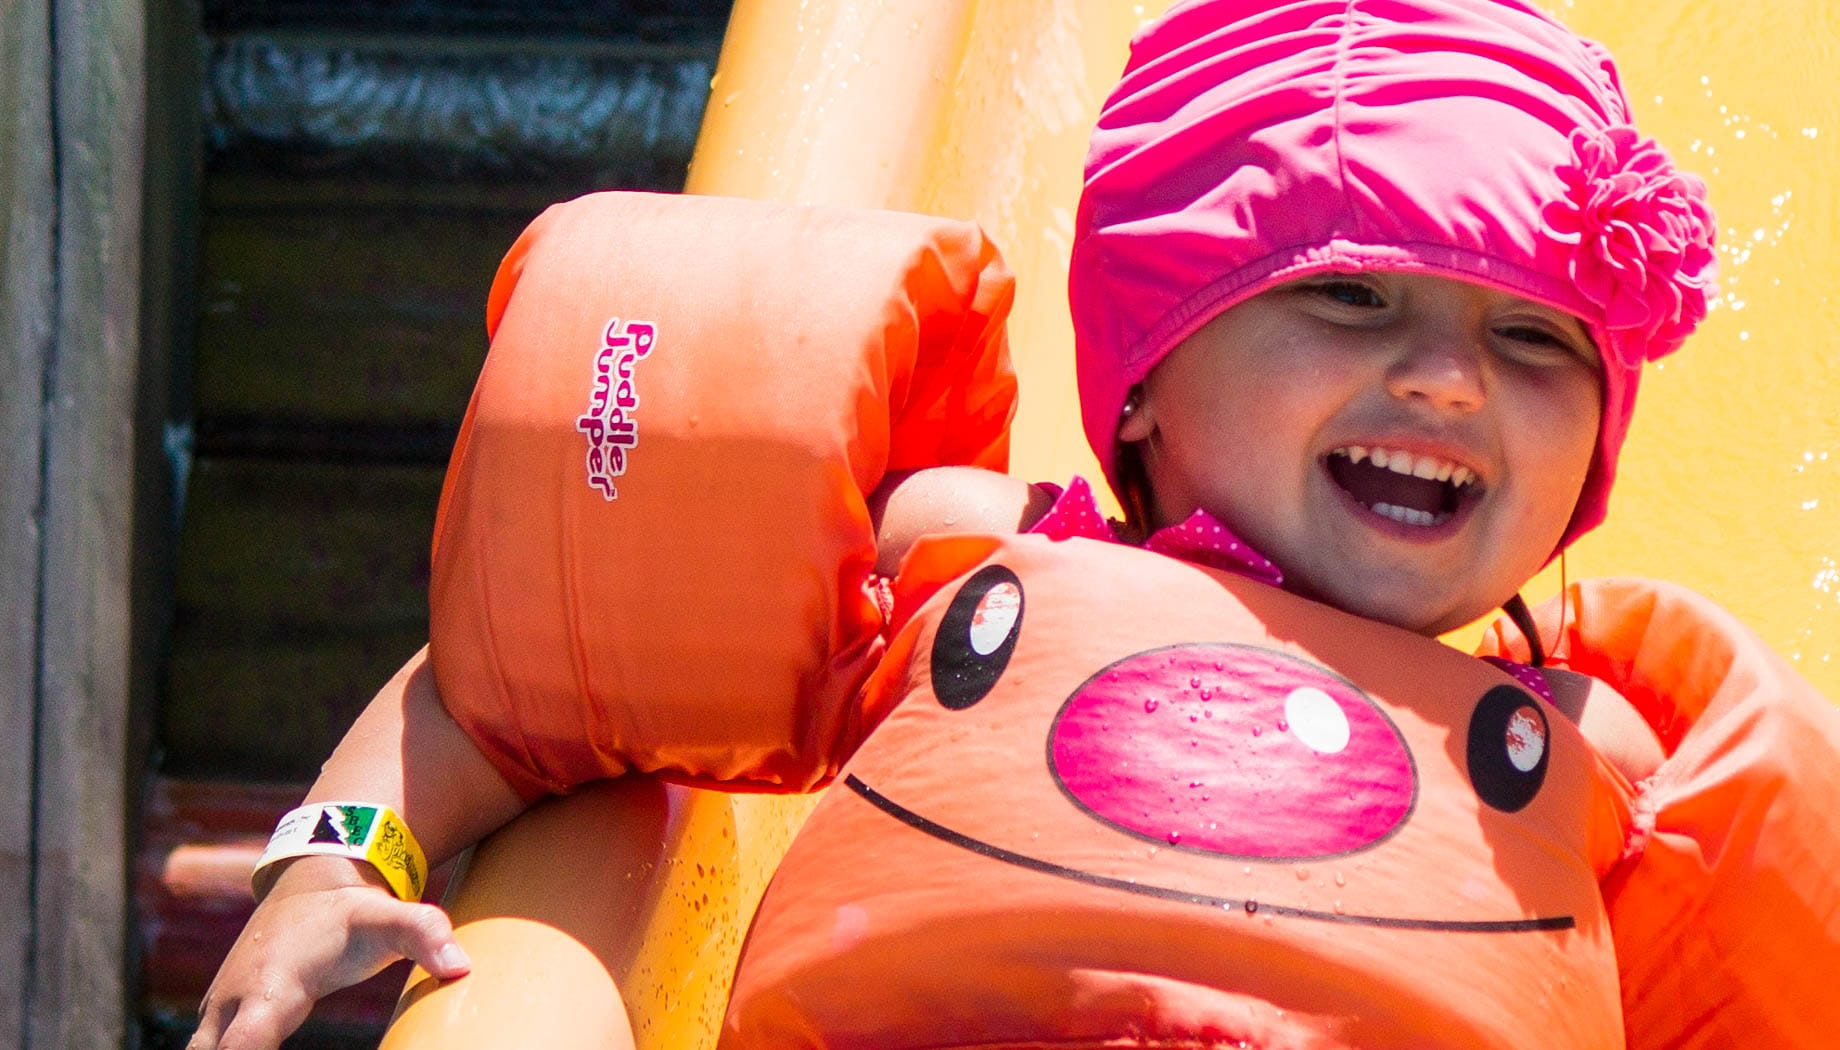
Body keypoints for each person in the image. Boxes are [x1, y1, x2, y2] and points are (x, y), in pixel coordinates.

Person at [191, 0, 1839, 1047]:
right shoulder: (975, 568)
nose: (1450, 384)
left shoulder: (1615, 759)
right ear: (1143, 384)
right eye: (1347, 300)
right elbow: (518, 686)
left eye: (1534, 340)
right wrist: (332, 863)